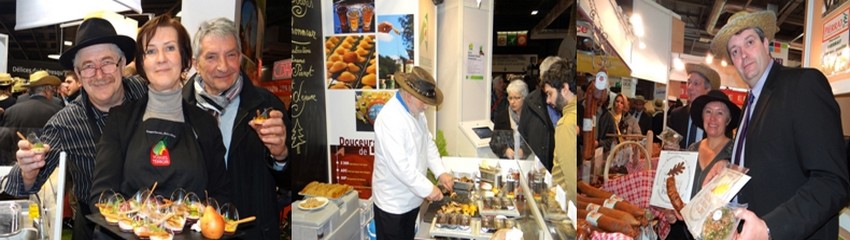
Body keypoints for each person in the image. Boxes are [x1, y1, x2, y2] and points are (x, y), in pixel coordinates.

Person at [3, 18, 147, 239]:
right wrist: (28, 171)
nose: (99, 74)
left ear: (122, 62)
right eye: (88, 66)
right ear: (78, 75)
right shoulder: (65, 122)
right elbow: (18, 186)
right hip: (95, 230)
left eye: (107, 62)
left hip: (150, 224)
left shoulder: (145, 94)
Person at [710, 10, 849, 239]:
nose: (743, 55)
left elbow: (833, 182)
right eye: (735, 51)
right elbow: (764, 159)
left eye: (749, 42)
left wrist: (769, 228)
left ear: (766, 43)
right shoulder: (751, 101)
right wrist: (728, 166)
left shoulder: (802, 85)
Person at [89, 15, 229, 214]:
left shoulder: (205, 124)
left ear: (186, 59)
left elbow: (221, 196)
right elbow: (101, 196)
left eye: (170, 48)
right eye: (151, 51)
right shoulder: (120, 120)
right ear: (142, 64)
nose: (161, 58)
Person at [182, 17, 289, 239]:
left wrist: (281, 155)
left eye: (231, 55)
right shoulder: (179, 110)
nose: (223, 66)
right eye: (211, 57)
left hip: (251, 231)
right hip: (194, 231)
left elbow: (291, 181)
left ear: (240, 58)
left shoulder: (267, 107)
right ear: (195, 63)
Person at [372, 67, 453, 239]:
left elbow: (427, 143)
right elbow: (400, 167)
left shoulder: (416, 111)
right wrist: (428, 189)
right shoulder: (390, 119)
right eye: (422, 101)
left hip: (411, 199)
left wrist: (441, 172)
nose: (426, 106)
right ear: (408, 94)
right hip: (393, 204)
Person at [518, 56, 563, 171]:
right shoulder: (530, 101)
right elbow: (523, 135)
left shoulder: (568, 102)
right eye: (544, 80)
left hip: (560, 167)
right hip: (537, 169)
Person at [543, 65, 577, 204]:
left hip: (563, 204)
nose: (548, 100)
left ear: (564, 89)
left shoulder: (566, 124)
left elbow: (571, 179)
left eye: (550, 93)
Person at [667, 63, 719, 149]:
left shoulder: (717, 120)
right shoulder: (676, 115)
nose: (690, 87)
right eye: (689, 82)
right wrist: (669, 148)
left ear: (708, 89)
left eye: (696, 83)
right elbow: (666, 147)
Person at [490, 79, 530, 159]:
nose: (512, 102)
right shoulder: (501, 117)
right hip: (507, 163)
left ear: (524, 98)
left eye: (516, 98)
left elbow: (537, 142)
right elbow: (494, 142)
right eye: (510, 98)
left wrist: (524, 150)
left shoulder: (531, 117)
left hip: (528, 162)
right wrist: (505, 150)